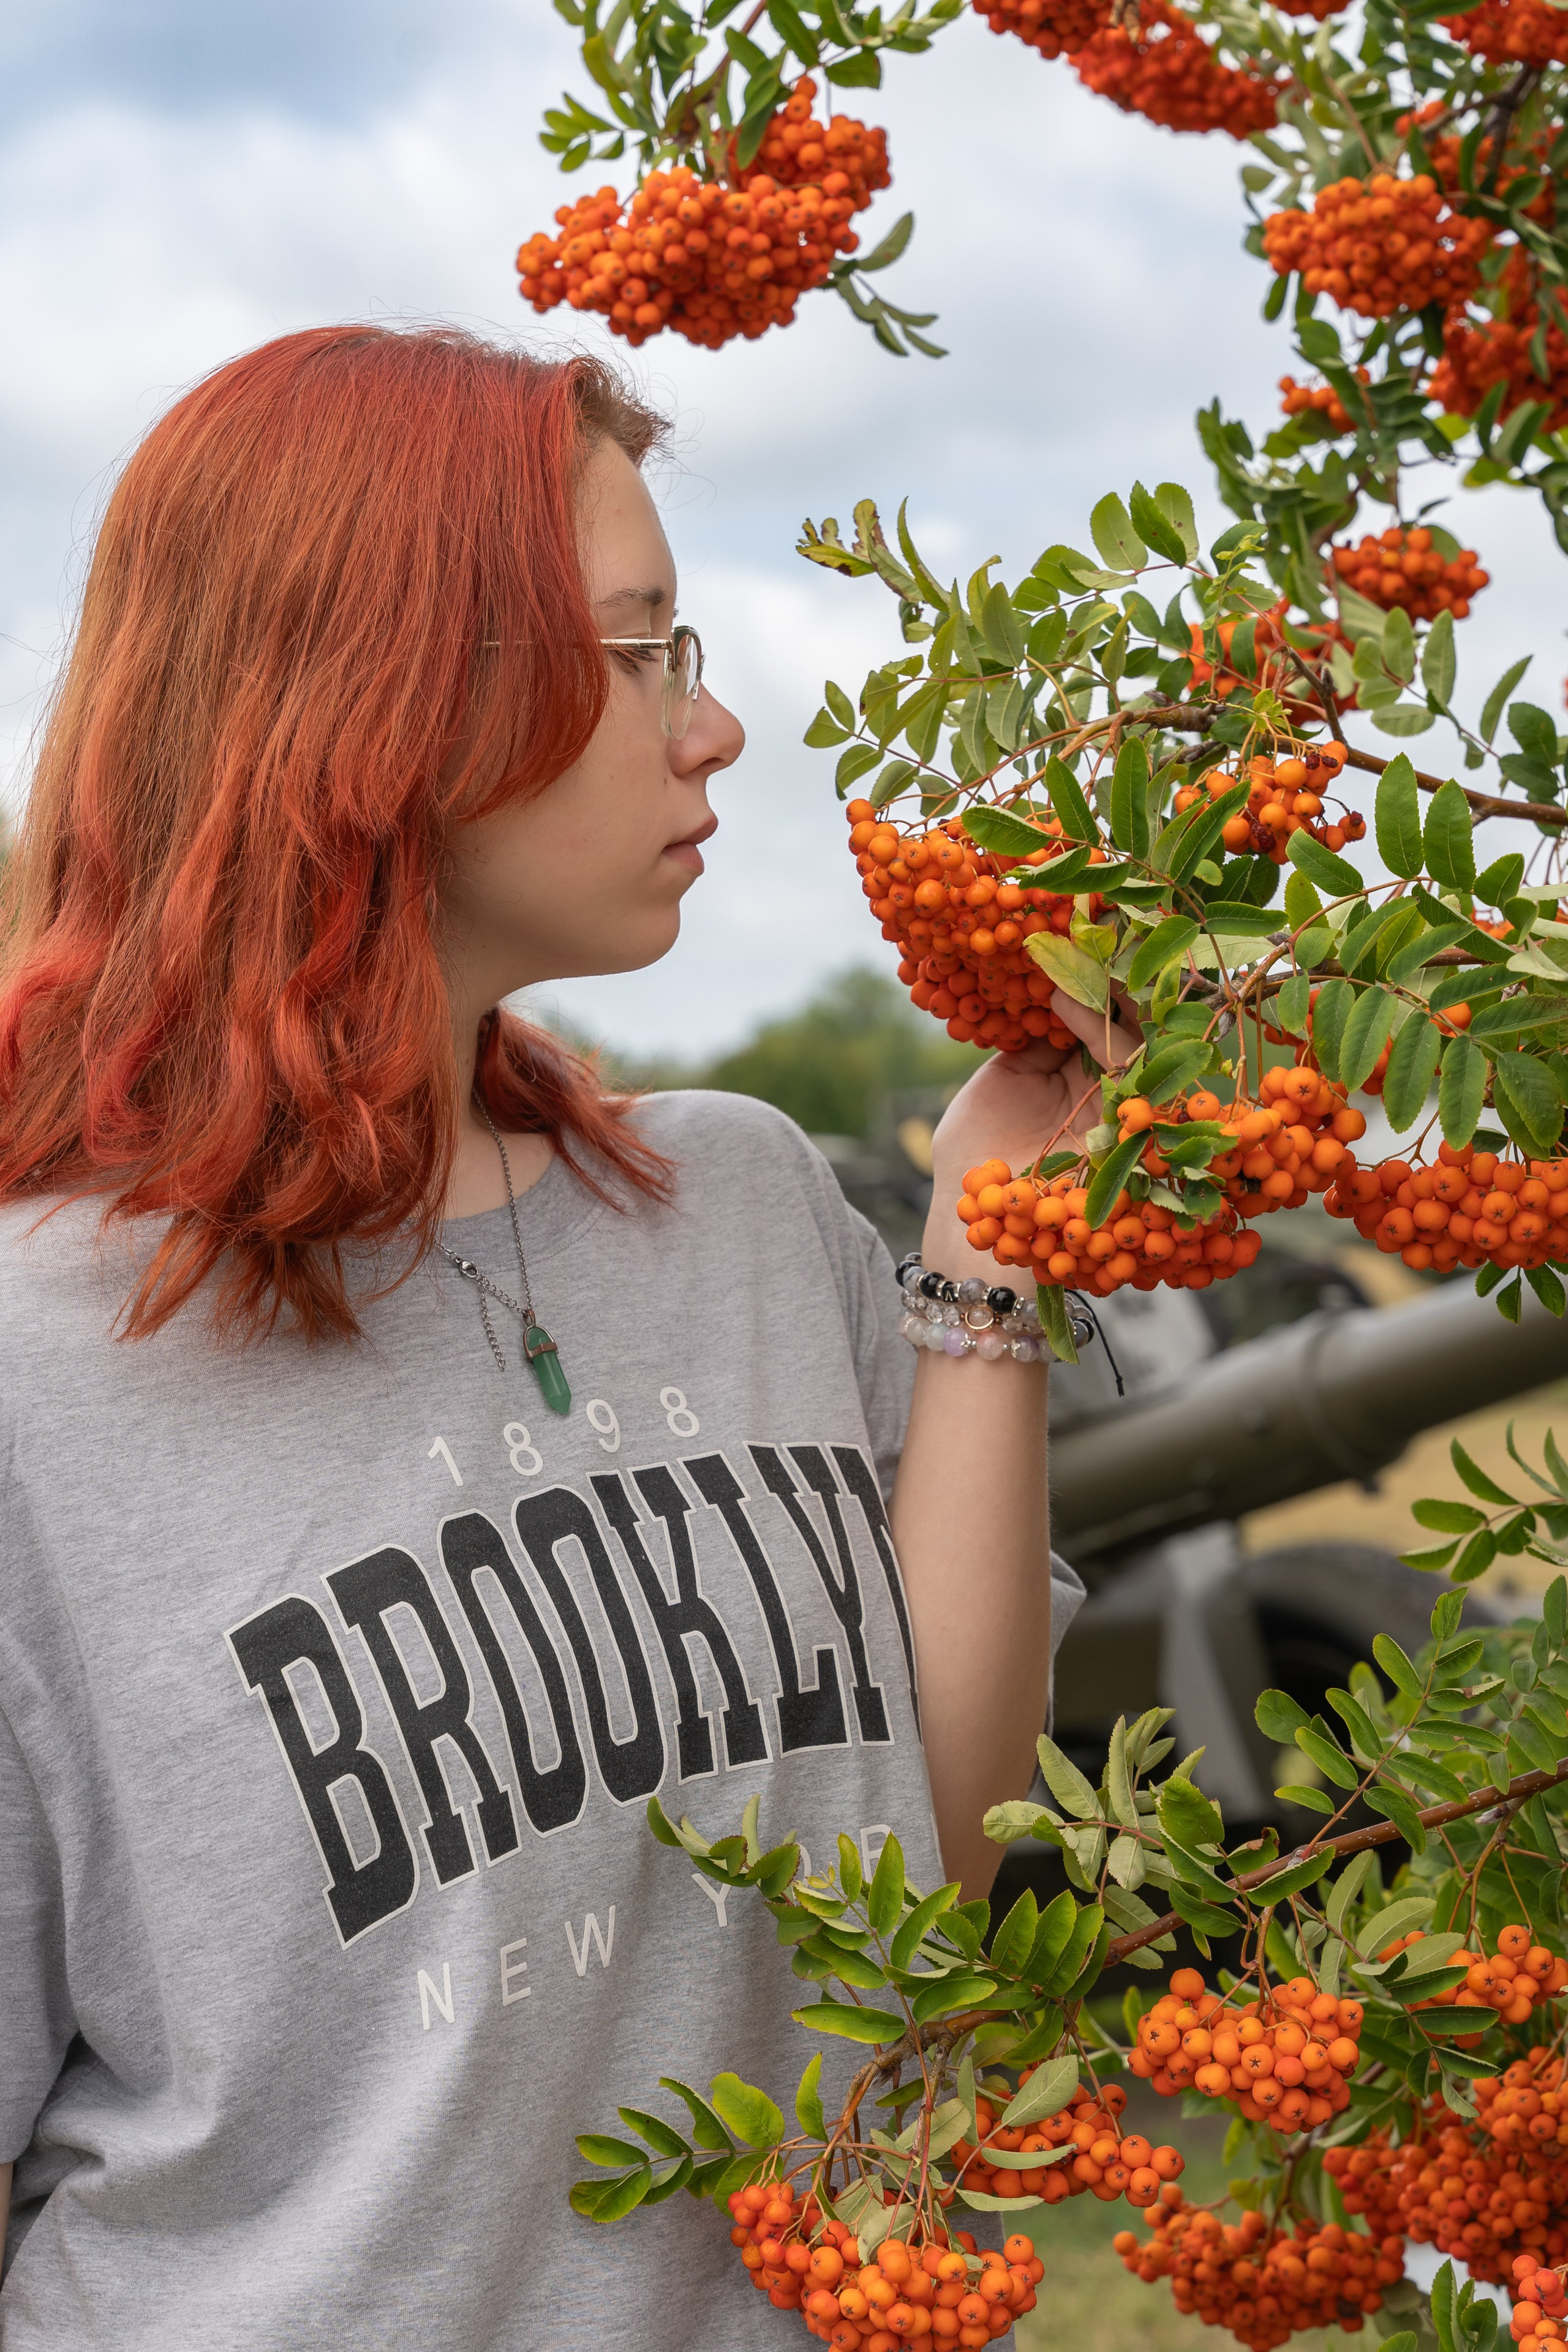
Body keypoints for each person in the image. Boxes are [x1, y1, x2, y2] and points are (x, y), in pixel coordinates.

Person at [0, 323, 1126, 2348]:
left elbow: (937, 1861)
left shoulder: (748, 1209)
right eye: (643, 655)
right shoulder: (31, 1384)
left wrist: (994, 1234)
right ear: (383, 712)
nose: (715, 734)